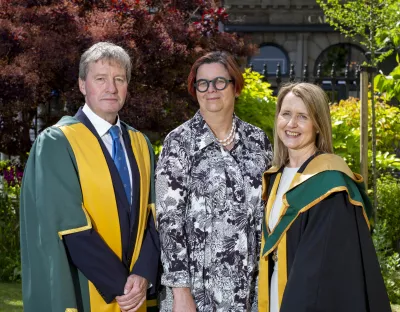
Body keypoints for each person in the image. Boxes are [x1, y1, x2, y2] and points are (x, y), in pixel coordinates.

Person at [20, 42, 160, 312]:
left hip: (136, 292)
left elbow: (154, 217)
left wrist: (142, 274)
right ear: (83, 85)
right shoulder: (58, 142)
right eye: (100, 79)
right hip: (87, 290)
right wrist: (121, 287)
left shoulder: (140, 143)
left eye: (119, 79)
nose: (111, 88)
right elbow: (70, 227)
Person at [155, 51, 273, 312]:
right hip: (196, 296)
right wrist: (181, 293)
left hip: (250, 293)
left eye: (220, 82)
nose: (211, 90)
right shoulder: (178, 143)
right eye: (203, 83)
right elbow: (168, 222)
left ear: (236, 87)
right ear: (195, 89)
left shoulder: (258, 142)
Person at [258, 82, 391, 312]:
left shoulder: (330, 184)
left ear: (318, 124)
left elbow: (320, 272)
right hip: (273, 296)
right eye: (286, 114)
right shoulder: (276, 177)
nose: (291, 124)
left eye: (303, 116)